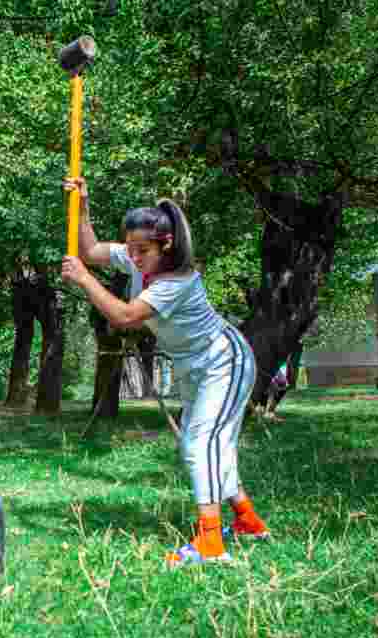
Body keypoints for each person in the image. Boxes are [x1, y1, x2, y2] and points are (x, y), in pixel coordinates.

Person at [61, 177, 270, 568]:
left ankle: (210, 544)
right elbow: (90, 250)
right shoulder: (141, 256)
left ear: (166, 245)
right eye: (131, 249)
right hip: (194, 364)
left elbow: (125, 316)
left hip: (224, 360)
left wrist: (85, 281)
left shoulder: (178, 280)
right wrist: (83, 204)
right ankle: (247, 520)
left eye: (142, 251)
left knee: (200, 445)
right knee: (209, 445)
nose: (134, 258)